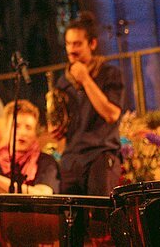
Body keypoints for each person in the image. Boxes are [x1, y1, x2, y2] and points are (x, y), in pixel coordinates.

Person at [52, 12, 123, 195]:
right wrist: (57, 129)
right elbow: (63, 128)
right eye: (68, 44)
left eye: (77, 44)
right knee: (70, 220)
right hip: (71, 159)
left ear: (92, 44)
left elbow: (112, 114)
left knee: (101, 216)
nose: (71, 50)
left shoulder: (109, 73)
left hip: (100, 154)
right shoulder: (63, 82)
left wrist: (85, 79)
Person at [0, 100, 60, 195]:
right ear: (5, 129)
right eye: (16, 126)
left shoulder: (46, 162)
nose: (22, 132)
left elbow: (42, 194)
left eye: (28, 127)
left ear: (35, 133)